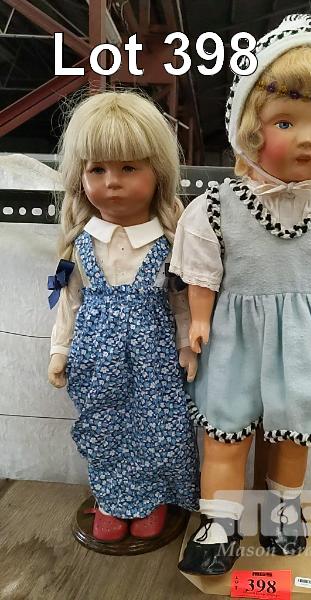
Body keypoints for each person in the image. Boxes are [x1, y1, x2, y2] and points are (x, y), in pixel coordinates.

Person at [170, 14, 311, 575]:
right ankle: (219, 521)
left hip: (306, 343)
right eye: (286, 121)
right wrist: (199, 318)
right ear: (250, 128)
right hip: (235, 340)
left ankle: (282, 507)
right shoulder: (218, 207)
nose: (308, 138)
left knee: (292, 434)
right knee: (225, 434)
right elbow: (202, 271)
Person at [48, 90, 199, 543]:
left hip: (155, 359)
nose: (112, 182)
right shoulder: (81, 244)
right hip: (96, 361)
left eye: (129, 168)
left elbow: (181, 303)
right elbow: (69, 303)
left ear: (158, 175)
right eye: (98, 170)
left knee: (160, 429)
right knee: (104, 426)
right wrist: (59, 352)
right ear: (81, 177)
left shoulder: (168, 243)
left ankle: (152, 498)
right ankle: (111, 500)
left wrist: (186, 346)